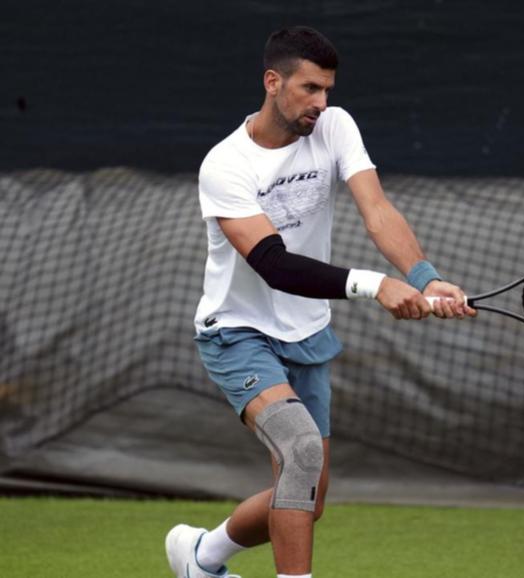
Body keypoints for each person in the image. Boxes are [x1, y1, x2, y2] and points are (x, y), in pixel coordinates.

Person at [165, 25, 475, 578]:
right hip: (238, 333)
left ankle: (201, 557)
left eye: (327, 89)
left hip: (307, 334)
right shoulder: (225, 165)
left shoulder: (335, 127)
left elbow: (376, 209)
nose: (321, 102)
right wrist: (374, 285)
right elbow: (273, 263)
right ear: (272, 82)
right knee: (300, 453)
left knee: (309, 496)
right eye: (309, 88)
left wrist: (425, 278)